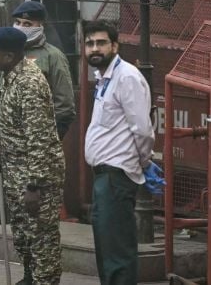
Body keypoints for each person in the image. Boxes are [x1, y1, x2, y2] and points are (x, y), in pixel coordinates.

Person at [0, 26, 64, 285]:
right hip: (15, 172)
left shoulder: (29, 83)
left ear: (9, 56)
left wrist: (34, 186)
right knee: (23, 236)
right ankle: (29, 278)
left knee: (41, 240)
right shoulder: (9, 76)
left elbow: (39, 138)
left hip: (34, 177)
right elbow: (4, 111)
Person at [83, 20, 159, 285]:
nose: (95, 48)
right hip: (104, 177)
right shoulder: (105, 78)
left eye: (101, 42)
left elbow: (142, 129)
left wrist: (143, 161)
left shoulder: (126, 77)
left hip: (116, 177)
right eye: (90, 43)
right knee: (107, 251)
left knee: (118, 256)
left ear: (115, 46)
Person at [0, 0, 75, 142]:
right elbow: (3, 98)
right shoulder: (11, 55)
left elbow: (65, 106)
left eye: (27, 24)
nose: (21, 27)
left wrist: (48, 141)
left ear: (41, 26)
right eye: (18, 22)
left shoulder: (53, 56)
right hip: (9, 141)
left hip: (37, 143)